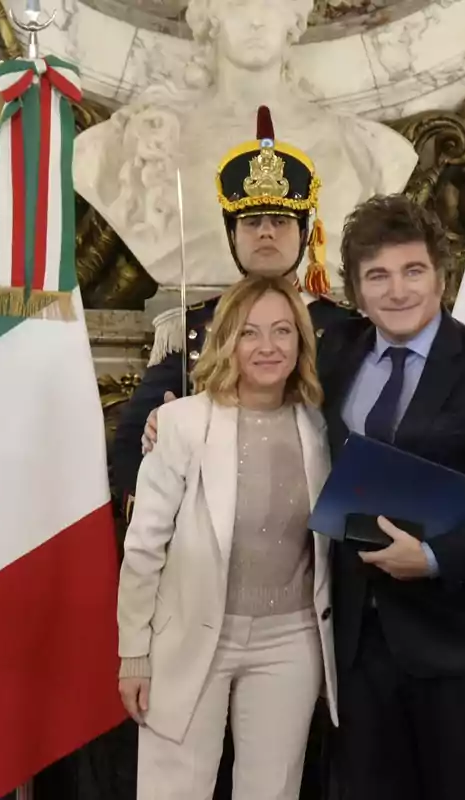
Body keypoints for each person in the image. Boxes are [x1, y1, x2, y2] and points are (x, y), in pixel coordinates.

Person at [143, 194, 465, 798]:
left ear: (441, 275)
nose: (397, 290)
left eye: (413, 271)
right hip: (352, 648)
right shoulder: (332, 354)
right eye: (377, 276)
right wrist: (176, 417)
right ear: (356, 290)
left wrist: (434, 557)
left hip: (463, 650)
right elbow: (259, 404)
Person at [116, 275, 338, 800]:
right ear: (226, 341)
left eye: (282, 331)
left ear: (301, 342)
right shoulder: (179, 424)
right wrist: (134, 655)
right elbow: (143, 548)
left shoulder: (323, 428)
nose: (267, 347)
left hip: (291, 639)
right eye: (249, 332)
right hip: (190, 635)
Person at [111, 104, 355, 520]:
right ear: (232, 235)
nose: (264, 231)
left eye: (279, 220)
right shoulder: (190, 328)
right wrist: (157, 442)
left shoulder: (348, 331)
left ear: (305, 233)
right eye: (251, 221)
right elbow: (131, 445)